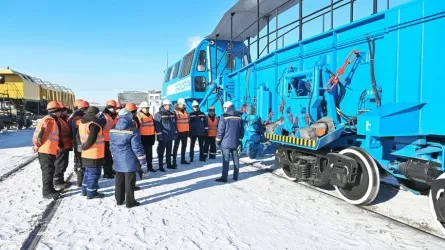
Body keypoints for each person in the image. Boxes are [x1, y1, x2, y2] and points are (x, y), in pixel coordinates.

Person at [110, 109, 147, 208]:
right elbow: (137, 148)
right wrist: (142, 160)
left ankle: (119, 200)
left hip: (117, 158)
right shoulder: (133, 130)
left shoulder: (113, 128)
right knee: (129, 181)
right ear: (129, 117)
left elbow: (111, 144)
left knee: (119, 180)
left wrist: (114, 155)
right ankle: (130, 202)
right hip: (129, 159)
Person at [32, 101, 63, 199]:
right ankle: (47, 192)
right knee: (48, 171)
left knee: (50, 170)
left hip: (49, 150)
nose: (61, 113)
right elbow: (40, 135)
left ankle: (50, 189)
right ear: (55, 111)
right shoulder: (49, 120)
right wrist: (37, 145)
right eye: (60, 111)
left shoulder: (52, 120)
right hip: (46, 151)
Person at [77, 106, 105, 199]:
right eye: (98, 113)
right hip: (94, 154)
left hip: (85, 154)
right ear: (95, 114)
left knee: (87, 173)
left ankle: (85, 191)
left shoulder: (82, 123)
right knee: (94, 174)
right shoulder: (94, 124)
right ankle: (92, 193)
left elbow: (77, 136)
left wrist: (80, 147)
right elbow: (91, 140)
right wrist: (84, 147)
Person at [215, 101, 244, 182]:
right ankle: (236, 176)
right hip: (235, 143)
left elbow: (220, 131)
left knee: (226, 160)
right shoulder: (239, 117)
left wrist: (217, 141)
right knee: (236, 159)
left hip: (226, 143)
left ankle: (224, 177)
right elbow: (242, 131)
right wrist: (239, 140)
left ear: (226, 108)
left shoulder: (224, 117)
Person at [67, 100, 89, 187]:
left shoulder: (74, 117)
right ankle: (81, 181)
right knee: (81, 161)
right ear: (84, 109)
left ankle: (81, 180)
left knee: (78, 161)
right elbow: (79, 131)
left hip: (76, 142)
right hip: (80, 142)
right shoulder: (79, 119)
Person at [53, 102, 73, 190]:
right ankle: (57, 182)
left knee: (63, 164)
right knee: (60, 164)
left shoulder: (64, 119)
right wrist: (60, 143)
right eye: (63, 110)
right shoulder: (57, 120)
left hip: (65, 145)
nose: (64, 112)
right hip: (61, 146)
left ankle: (60, 180)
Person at [154, 99, 177, 171]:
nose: (169, 106)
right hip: (163, 136)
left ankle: (169, 164)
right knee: (161, 152)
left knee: (169, 151)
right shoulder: (158, 114)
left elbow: (174, 125)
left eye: (170, 105)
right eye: (168, 105)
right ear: (164, 105)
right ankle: (161, 166)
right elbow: (157, 126)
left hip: (170, 136)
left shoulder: (171, 114)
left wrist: (175, 133)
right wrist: (159, 136)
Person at [99, 99, 118, 179]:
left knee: (110, 158)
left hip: (111, 140)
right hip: (104, 140)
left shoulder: (113, 116)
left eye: (114, 107)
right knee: (107, 158)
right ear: (108, 107)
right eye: (111, 107)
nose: (113, 109)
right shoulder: (104, 116)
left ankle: (110, 170)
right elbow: (99, 128)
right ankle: (107, 173)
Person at [137, 101, 156, 172]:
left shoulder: (150, 115)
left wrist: (153, 136)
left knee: (149, 154)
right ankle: (139, 168)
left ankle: (150, 167)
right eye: (146, 108)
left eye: (148, 108)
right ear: (142, 108)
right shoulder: (138, 115)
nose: (147, 109)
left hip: (150, 137)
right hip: (142, 137)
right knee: (141, 154)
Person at [172, 97, 189, 167]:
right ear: (179, 104)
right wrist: (175, 130)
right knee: (176, 147)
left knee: (184, 146)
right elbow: (173, 123)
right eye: (183, 104)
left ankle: (183, 159)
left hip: (185, 132)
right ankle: (174, 161)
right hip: (178, 132)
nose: (184, 106)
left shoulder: (185, 111)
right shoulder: (175, 112)